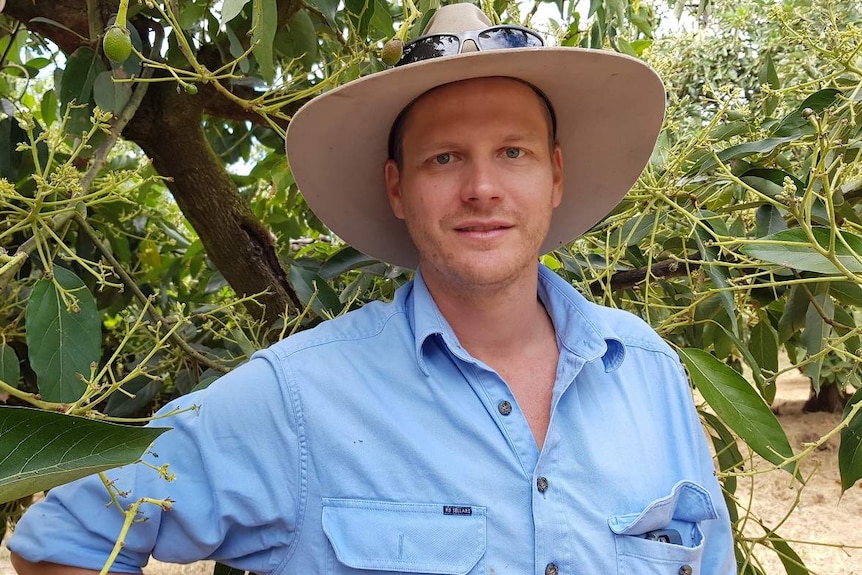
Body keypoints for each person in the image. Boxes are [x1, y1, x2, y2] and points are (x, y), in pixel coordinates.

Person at [9, 3, 735, 574]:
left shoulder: (651, 376)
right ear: (397, 188)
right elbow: (65, 532)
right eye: (445, 158)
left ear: (555, 176)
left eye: (511, 153)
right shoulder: (297, 399)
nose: (482, 188)